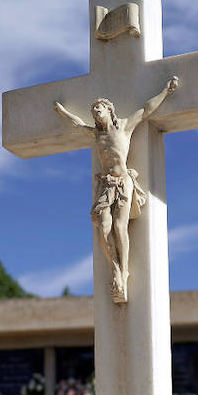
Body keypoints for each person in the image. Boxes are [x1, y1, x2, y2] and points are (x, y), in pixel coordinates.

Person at [54, 75, 179, 303]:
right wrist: (60, 110)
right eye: (93, 111)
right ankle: (115, 267)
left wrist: (166, 91)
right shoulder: (96, 135)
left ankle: (124, 270)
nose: (95, 113)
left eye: (99, 109)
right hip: (105, 184)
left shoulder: (124, 127)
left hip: (123, 183)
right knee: (103, 227)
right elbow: (75, 123)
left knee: (120, 227)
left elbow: (146, 110)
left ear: (109, 110)